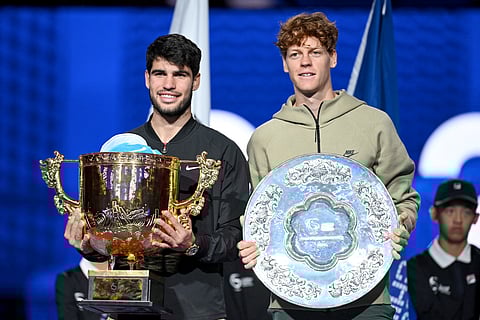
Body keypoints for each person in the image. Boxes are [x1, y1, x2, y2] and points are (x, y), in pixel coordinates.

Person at [237, 12, 420, 320]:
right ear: (285, 64)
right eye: (295, 54)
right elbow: (258, 213)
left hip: (367, 300)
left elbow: (403, 198)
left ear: (332, 58)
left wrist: (401, 222)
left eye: (315, 52)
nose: (304, 62)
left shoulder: (374, 123)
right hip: (289, 303)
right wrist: (250, 241)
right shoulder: (264, 138)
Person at [64, 33, 250, 320]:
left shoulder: (223, 151)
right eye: (160, 73)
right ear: (147, 78)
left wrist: (193, 244)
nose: (169, 84)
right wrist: (90, 245)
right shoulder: (120, 150)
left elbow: (234, 237)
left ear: (196, 81)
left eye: (180, 75)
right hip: (130, 307)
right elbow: (109, 240)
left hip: (199, 309)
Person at [407, 179, 480, 320]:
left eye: (466, 212)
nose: (458, 220)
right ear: (434, 214)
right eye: (450, 211)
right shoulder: (413, 269)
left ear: (475, 218)